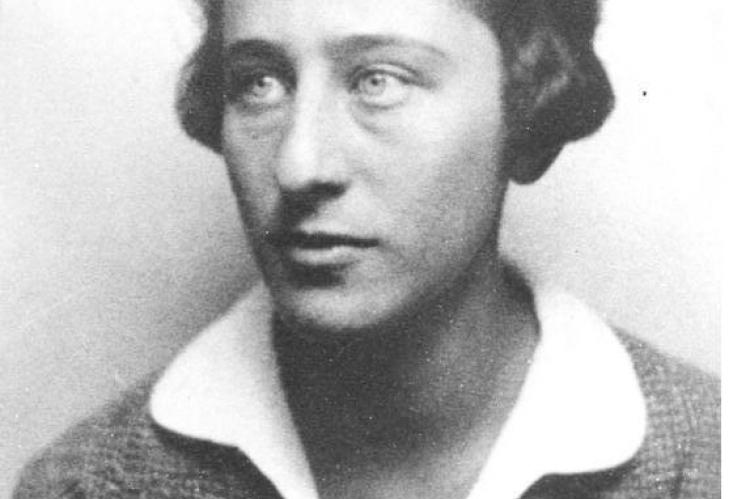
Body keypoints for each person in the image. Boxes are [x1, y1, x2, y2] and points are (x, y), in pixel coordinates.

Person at [13, 0, 720, 497]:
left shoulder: (711, 464)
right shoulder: (87, 485)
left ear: (528, 107)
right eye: (259, 82)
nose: (298, 165)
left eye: (379, 81)